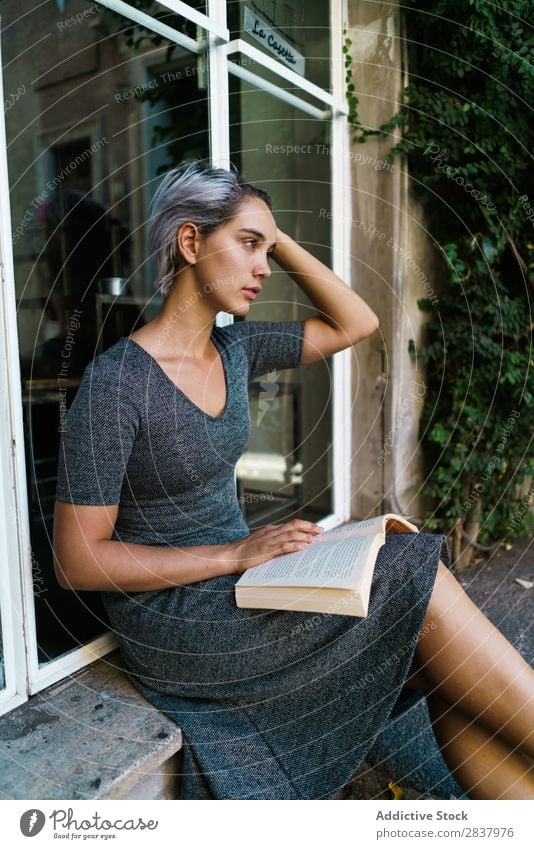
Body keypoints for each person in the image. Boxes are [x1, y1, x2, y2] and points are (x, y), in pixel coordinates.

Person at [53, 159, 534, 800]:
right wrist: (232, 552)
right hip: (178, 619)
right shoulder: (117, 385)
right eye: (249, 245)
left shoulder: (235, 349)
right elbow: (79, 559)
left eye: (268, 249)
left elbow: (354, 323)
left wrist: (274, 234)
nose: (264, 267)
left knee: (428, 645)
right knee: (413, 577)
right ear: (191, 243)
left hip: (248, 582)